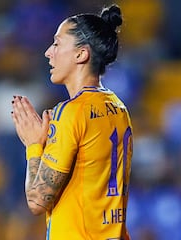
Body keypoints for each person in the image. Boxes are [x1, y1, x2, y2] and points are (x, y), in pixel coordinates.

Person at [11, 4, 133, 240]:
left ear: (81, 54)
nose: (48, 52)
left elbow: (37, 200)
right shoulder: (119, 108)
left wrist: (33, 145)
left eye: (57, 43)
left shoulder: (71, 112)